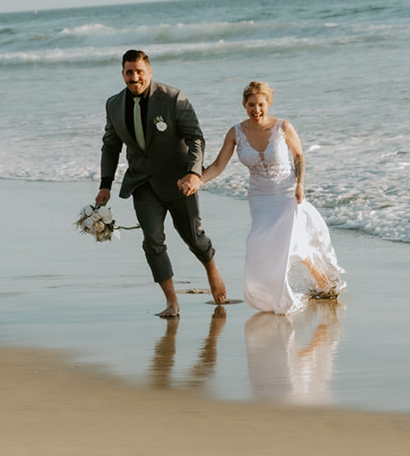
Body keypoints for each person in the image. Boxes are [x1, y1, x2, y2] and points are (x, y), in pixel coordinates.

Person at [191, 81, 344, 314]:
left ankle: (311, 288)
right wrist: (198, 180)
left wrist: (300, 185)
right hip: (260, 198)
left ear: (268, 104)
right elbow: (219, 165)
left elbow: (299, 156)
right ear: (244, 104)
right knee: (258, 243)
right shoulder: (236, 132)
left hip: (286, 193)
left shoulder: (283, 127)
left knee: (289, 244)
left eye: (261, 104)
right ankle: (278, 294)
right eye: (251, 105)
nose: (256, 109)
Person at [97, 49, 227, 317]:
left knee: (193, 236)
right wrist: (105, 184)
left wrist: (194, 173)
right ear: (122, 74)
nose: (135, 78)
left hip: (180, 181)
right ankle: (172, 301)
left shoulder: (173, 98)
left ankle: (211, 269)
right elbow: (110, 146)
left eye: (139, 72)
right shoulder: (113, 104)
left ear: (150, 72)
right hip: (142, 182)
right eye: (129, 72)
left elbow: (196, 138)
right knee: (152, 241)